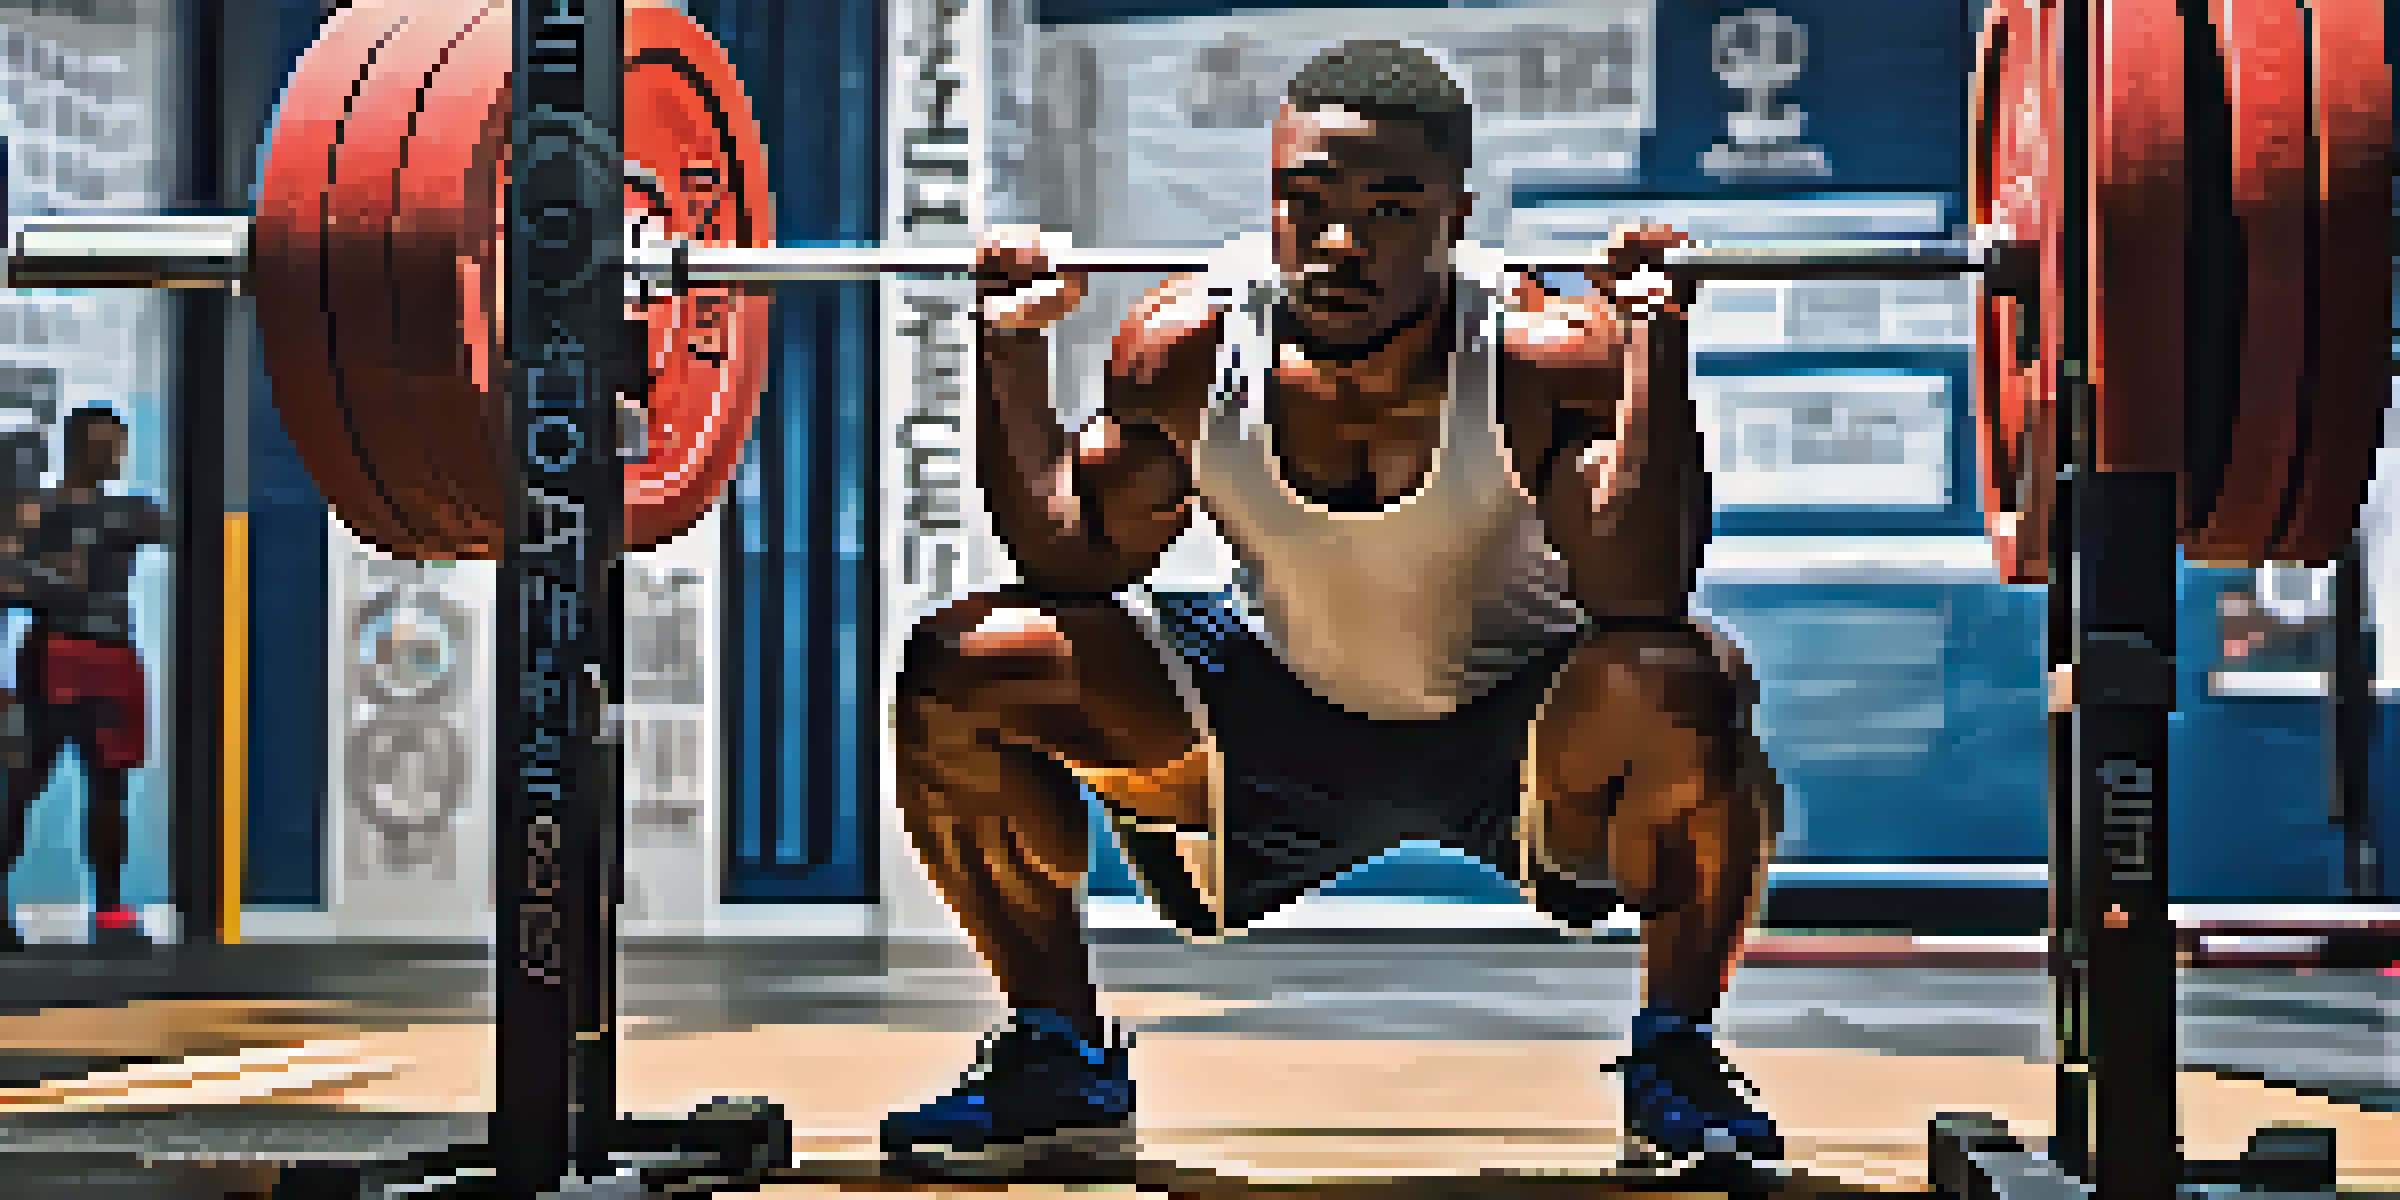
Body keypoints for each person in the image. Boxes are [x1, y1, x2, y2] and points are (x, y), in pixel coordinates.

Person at [883, 40, 1785, 1182]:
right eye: (1306, 205)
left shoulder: (1537, 355)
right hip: (1264, 725)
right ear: (1271, 197)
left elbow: (1635, 591)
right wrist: (1009, 349)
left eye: (1391, 211)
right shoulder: (1190, 344)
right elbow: (1072, 556)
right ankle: (1056, 1051)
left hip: (1519, 735)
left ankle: (1678, 1059)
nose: (1341, 244)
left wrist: (1657, 342)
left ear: (1456, 216)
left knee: (1687, 681)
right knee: (968, 665)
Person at [0, 407, 170, 950]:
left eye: (119, 445)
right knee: (21, 786)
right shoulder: (38, 510)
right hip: (52, 657)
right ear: (80, 446)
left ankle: (112, 912)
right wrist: (55, 579)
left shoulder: (130, 511)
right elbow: (10, 578)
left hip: (108, 658)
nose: (117, 455)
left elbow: (180, 531)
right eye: (107, 445)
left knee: (109, 789)